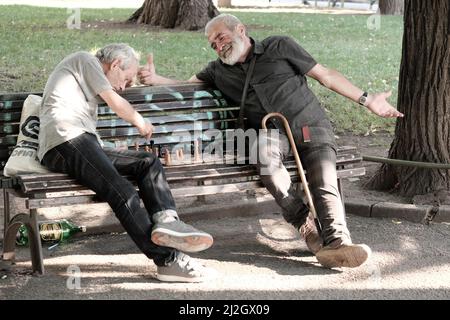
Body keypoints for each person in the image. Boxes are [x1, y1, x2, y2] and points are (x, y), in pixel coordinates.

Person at [139, 14, 404, 269]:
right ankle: (304, 224)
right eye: (213, 44)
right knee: (263, 157)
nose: (218, 46)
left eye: (221, 37)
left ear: (240, 30)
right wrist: (155, 80)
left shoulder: (279, 46)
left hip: (309, 125)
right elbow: (187, 86)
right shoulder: (217, 71)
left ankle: (338, 244)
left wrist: (368, 101)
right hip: (270, 134)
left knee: (324, 178)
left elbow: (326, 76)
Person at [37, 43, 217, 282]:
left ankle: (167, 222)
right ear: (115, 64)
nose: (123, 87)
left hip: (80, 143)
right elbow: (115, 102)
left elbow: (112, 98)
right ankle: (168, 261)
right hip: (65, 141)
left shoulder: (87, 75)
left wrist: (142, 77)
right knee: (122, 192)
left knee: (147, 162)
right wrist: (140, 121)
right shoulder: (85, 60)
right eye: (126, 78)